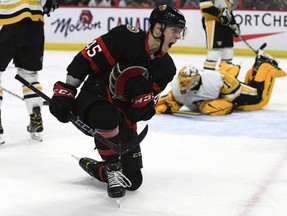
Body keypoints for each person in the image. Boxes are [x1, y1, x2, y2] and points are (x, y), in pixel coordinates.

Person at [48, 5, 186, 199]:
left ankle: (99, 168)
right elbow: (86, 59)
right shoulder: (126, 37)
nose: (178, 37)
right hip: (94, 99)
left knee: (133, 180)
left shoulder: (166, 68)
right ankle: (113, 168)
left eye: (180, 32)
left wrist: (141, 102)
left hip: (121, 114)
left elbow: (138, 113)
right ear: (157, 28)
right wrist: (66, 91)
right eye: (174, 31)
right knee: (107, 116)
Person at [155, 50, 287, 116]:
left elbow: (233, 91)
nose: (182, 85)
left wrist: (224, 102)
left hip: (230, 87)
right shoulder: (178, 87)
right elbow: (172, 101)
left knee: (257, 98)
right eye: (182, 82)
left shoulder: (213, 81)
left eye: (186, 82)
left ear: (194, 80)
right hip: (219, 85)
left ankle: (263, 65)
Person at [0, 0, 58, 144]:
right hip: (35, 25)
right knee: (30, 75)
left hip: (7, 21)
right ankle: (36, 120)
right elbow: (48, 4)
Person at [199, 0, 240, 70]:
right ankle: (208, 75)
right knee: (215, 50)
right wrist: (220, 14)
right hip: (213, 22)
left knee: (228, 50)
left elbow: (228, 10)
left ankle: (226, 75)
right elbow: (205, 6)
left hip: (226, 23)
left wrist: (233, 23)